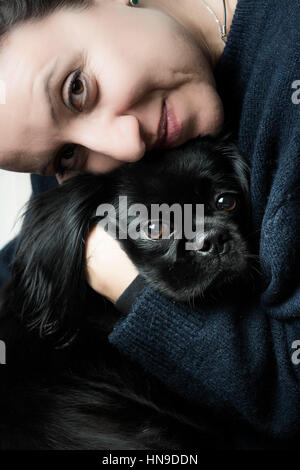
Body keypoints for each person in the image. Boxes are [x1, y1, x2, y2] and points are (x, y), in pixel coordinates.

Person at [0, 0, 299, 447]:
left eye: (76, 89)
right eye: (65, 156)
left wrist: (125, 280)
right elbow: (28, 259)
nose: (126, 146)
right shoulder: (88, 171)